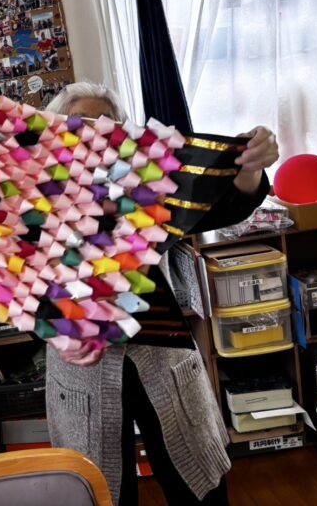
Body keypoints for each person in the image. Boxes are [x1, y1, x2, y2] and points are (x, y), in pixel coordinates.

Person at [44, 82, 279, 506]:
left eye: (106, 125)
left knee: (198, 480)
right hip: (79, 374)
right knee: (100, 488)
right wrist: (56, 325)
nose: (94, 134)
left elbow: (226, 202)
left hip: (163, 356)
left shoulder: (149, 185)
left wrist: (250, 166)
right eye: (79, 125)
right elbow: (8, 287)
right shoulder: (35, 203)